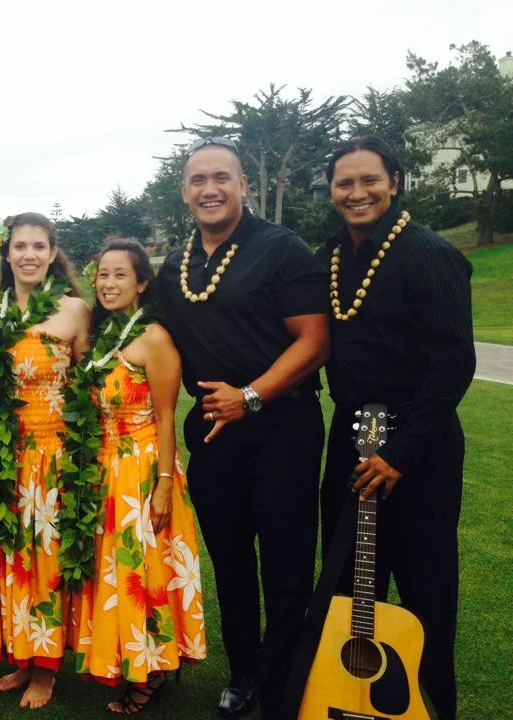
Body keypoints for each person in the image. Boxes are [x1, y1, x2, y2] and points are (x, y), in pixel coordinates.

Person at [157, 137, 330, 718]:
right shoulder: (178, 265)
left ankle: (283, 681)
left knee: (285, 563)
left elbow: (315, 340)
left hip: (283, 428)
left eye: (221, 178)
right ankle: (244, 673)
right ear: (184, 191)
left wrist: (251, 396)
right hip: (212, 434)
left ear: (243, 185)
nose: (210, 189)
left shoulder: (280, 248)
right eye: (198, 180)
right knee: (230, 564)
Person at [317, 136, 474, 720]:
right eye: (345, 182)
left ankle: (430, 706)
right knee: (348, 582)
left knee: (425, 586)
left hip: (419, 445)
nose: (357, 193)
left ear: (395, 182)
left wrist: (401, 452)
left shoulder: (429, 254)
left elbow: (454, 362)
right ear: (331, 190)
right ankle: (349, 702)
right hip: (351, 436)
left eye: (369, 180)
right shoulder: (331, 255)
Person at [72, 238, 208, 714]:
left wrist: (164, 485)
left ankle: (154, 670)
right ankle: (129, 658)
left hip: (144, 467)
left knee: (145, 569)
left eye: (120, 275)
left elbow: (167, 416)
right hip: (105, 468)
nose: (108, 284)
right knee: (115, 570)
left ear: (142, 283)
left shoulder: (154, 339)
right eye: (102, 275)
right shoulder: (101, 335)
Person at [0, 212, 90, 710]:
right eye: (20, 246)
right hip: (4, 456)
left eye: (39, 246)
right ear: (7, 252)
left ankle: (47, 667)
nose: (29, 255)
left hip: (54, 454)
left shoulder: (74, 310)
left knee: (47, 560)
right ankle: (24, 653)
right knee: (14, 560)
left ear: (52, 252)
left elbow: (89, 384)